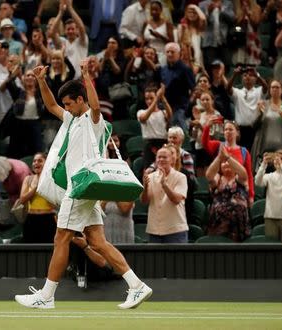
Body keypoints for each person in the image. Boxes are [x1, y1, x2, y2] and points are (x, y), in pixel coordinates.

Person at [15, 61, 152, 309]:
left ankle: (46, 296)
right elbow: (51, 106)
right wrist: (42, 81)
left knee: (61, 238)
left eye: (70, 103)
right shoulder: (72, 118)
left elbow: (96, 106)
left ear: (81, 99)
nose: (65, 108)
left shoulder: (93, 119)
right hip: (85, 190)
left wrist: (87, 75)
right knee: (98, 242)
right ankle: (136, 285)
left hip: (79, 188)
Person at [140, 146, 188, 243]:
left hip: (175, 231)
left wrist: (164, 185)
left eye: (165, 157)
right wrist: (145, 187)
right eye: (159, 157)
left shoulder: (181, 177)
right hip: (154, 230)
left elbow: (177, 200)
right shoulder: (150, 177)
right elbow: (144, 201)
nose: (161, 159)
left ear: (171, 160)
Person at [202, 119, 255, 204]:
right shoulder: (218, 146)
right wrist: (207, 127)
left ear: (237, 133)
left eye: (231, 129)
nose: (228, 132)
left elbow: (249, 174)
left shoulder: (244, 151)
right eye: (226, 130)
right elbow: (205, 144)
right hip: (220, 185)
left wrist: (251, 195)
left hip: (238, 186)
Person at [206, 145, 251, 242]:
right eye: (223, 163)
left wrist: (227, 157)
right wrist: (219, 158)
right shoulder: (217, 179)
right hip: (218, 223)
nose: (226, 164)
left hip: (238, 225)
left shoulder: (240, 179)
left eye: (229, 162)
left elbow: (243, 172)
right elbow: (209, 175)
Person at [251, 80, 282, 170]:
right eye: (272, 87)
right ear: (269, 90)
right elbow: (254, 126)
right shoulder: (263, 104)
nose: (275, 89)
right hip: (263, 149)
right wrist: (260, 114)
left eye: (277, 87)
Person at [255, 150, 282, 241]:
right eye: (276, 159)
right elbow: (258, 182)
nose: (278, 161)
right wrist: (263, 164)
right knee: (271, 246)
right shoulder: (269, 176)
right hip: (270, 217)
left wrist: (281, 166)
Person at [227, 65, 268, 151]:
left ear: (255, 79)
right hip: (240, 130)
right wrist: (234, 75)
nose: (247, 77)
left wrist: (257, 75)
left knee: (253, 155)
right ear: (242, 79)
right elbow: (228, 89)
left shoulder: (259, 91)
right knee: (240, 155)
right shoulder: (237, 92)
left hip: (254, 129)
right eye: (245, 75)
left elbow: (265, 87)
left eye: (250, 75)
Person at [18, 152, 56, 243]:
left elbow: (54, 203)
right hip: (31, 219)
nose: (36, 163)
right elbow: (22, 199)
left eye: (40, 161)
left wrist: (44, 184)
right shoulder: (28, 179)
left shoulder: (52, 179)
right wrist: (37, 187)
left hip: (48, 219)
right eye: (34, 161)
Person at [160, 42, 196, 130]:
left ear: (179, 54)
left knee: (181, 134)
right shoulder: (163, 69)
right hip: (165, 107)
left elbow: (194, 89)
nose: (169, 54)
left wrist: (187, 106)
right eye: (167, 52)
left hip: (180, 108)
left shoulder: (185, 69)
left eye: (172, 52)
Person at [51, 0, 88, 78]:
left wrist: (70, 8)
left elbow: (81, 27)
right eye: (68, 29)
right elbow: (52, 33)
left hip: (80, 80)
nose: (70, 31)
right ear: (64, 31)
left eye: (72, 29)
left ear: (76, 30)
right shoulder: (62, 42)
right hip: (65, 80)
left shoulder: (82, 41)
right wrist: (60, 12)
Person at [137, 84, 171, 168]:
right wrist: (156, 98)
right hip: (149, 145)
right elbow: (143, 118)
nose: (149, 101)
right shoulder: (141, 112)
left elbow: (170, 114)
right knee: (148, 170)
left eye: (151, 98)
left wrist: (162, 97)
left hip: (163, 143)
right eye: (147, 99)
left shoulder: (163, 112)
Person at [199, 0, 235, 71]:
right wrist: (208, 11)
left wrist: (221, 9)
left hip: (224, 41)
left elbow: (232, 19)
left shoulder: (227, 3)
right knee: (210, 67)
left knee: (226, 67)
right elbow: (200, 24)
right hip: (209, 42)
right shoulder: (202, 4)